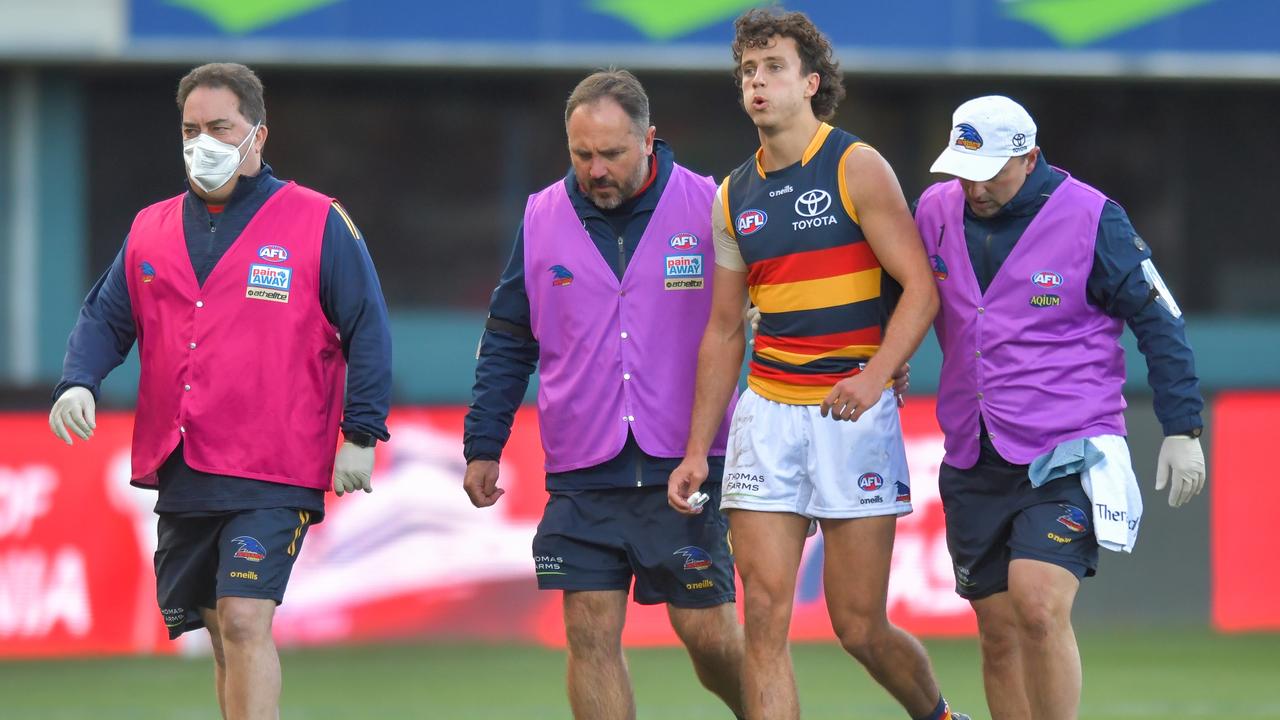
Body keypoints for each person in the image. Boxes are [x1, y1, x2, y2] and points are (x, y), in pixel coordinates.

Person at [48, 62, 392, 720]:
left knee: (242, 620)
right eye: (190, 129)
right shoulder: (149, 228)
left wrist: (362, 432)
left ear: (258, 136)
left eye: (219, 127)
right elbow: (104, 318)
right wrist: (78, 381)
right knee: (219, 634)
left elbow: (367, 328)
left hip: (275, 465)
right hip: (184, 463)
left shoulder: (317, 221)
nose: (202, 141)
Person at [669, 9, 968, 720]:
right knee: (764, 619)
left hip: (850, 415)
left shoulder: (855, 166)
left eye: (772, 68)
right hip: (766, 415)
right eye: (747, 70)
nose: (757, 82)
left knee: (859, 627)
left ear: (810, 83)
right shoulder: (731, 195)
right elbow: (721, 331)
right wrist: (695, 451)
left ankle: (940, 716)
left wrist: (873, 376)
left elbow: (922, 290)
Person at [462, 69, 746, 719]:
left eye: (612, 154)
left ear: (650, 139)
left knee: (708, 634)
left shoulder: (710, 204)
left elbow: (761, 314)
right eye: (582, 154)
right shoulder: (539, 217)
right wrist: (484, 443)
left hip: (689, 461)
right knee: (589, 632)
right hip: (582, 469)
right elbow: (508, 337)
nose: (596, 170)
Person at [915, 94, 1206, 720]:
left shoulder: (1095, 218)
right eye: (964, 170)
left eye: (990, 170)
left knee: (1038, 606)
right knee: (996, 633)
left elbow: (1160, 320)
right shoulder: (935, 210)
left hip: (1067, 446)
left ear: (1030, 157)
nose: (974, 186)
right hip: (972, 450)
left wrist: (1182, 428)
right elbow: (898, 291)